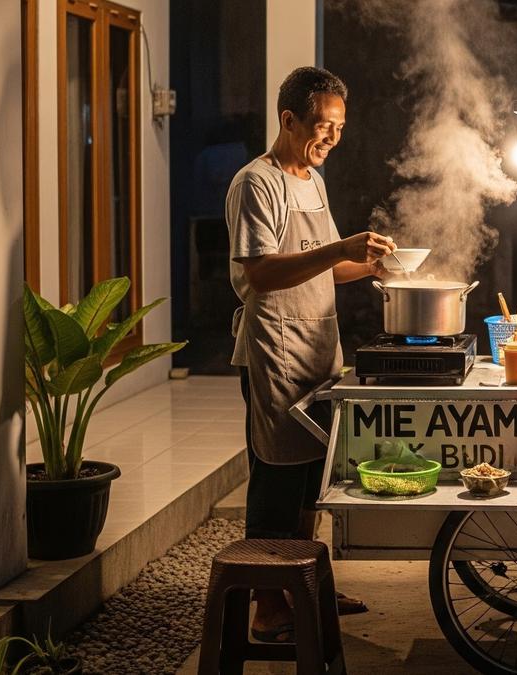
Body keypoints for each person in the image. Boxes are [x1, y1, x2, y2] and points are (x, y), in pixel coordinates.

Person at [226, 66, 396, 643]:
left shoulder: (313, 181)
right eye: (323, 126)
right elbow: (264, 272)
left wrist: (370, 265)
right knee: (275, 484)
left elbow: (325, 264)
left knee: (312, 483)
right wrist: (339, 248)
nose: (331, 137)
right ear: (289, 119)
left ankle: (308, 583)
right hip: (274, 350)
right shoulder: (257, 183)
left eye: (340, 128)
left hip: (320, 347)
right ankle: (270, 608)